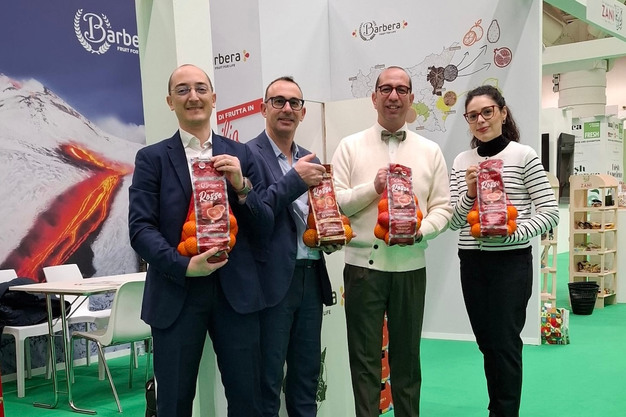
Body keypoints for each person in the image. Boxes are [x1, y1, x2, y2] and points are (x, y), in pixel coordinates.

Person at [128, 64, 273, 417]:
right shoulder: (152, 159)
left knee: (247, 400)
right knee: (174, 403)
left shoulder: (243, 155)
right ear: (170, 101)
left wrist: (242, 186)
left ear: (213, 98)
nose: (193, 96)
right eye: (182, 90)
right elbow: (140, 229)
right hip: (176, 292)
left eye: (200, 88)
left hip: (236, 294)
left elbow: (264, 225)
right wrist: (183, 265)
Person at [331, 66, 452, 417]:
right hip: (361, 270)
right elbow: (336, 202)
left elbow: (443, 208)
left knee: (407, 362)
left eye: (401, 89)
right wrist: (373, 188)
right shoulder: (349, 146)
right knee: (364, 361)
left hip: (410, 268)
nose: (393, 96)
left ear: (412, 98)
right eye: (385, 89)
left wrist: (421, 231)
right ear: (374, 98)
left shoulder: (430, 151)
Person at [449, 85, 559, 417]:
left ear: (503, 112)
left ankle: (504, 412)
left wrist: (513, 233)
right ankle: (496, 408)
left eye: (487, 112)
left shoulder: (523, 155)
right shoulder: (462, 161)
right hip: (472, 261)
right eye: (473, 116)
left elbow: (550, 212)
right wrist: (469, 193)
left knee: (506, 344)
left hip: (511, 263)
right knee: (486, 342)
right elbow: (454, 221)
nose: (481, 120)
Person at [247, 76, 334, 417]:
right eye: (278, 101)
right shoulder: (248, 155)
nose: (286, 108)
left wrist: (330, 231)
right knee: (267, 380)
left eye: (294, 103)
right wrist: (294, 179)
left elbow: (317, 213)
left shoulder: (311, 159)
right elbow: (255, 216)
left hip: (311, 276)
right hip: (271, 283)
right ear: (263, 108)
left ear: (303, 112)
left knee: (307, 378)